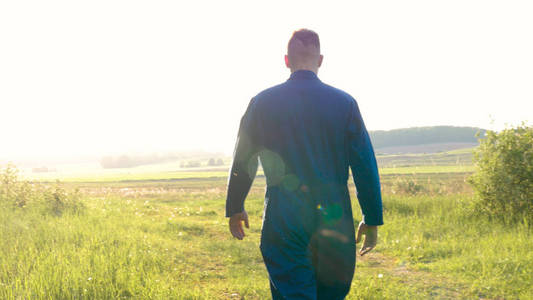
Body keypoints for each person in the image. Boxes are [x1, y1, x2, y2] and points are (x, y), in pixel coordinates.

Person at [225, 29, 384, 300]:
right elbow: (364, 165)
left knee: (291, 292)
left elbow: (244, 158)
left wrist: (235, 205)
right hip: (334, 218)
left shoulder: (262, 103)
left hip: (284, 218)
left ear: (286, 60)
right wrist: (371, 217)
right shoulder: (344, 103)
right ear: (320, 60)